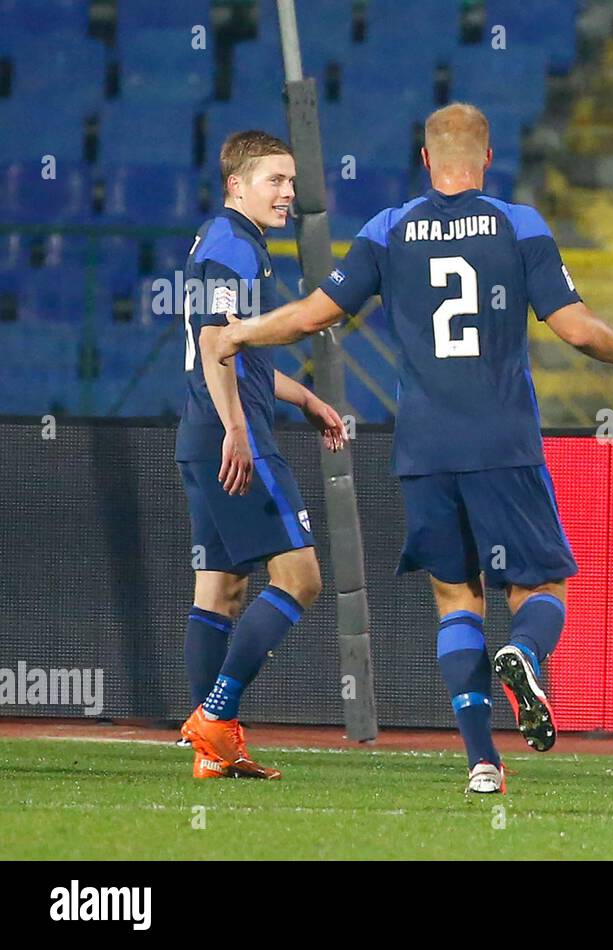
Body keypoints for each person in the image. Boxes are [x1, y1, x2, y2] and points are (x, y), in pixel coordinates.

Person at [216, 103, 613, 794]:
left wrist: (241, 333)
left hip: (425, 448)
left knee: (455, 596)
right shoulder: (519, 224)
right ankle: (522, 653)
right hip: (503, 439)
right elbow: (577, 331)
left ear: (426, 161)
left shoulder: (388, 229)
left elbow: (315, 315)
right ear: (488, 158)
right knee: (540, 587)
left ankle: (482, 764)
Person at [177, 130, 347, 781]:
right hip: (230, 435)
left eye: (292, 182)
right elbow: (216, 339)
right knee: (300, 579)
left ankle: (212, 753)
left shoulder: (224, 241)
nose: (287, 193)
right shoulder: (232, 246)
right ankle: (216, 717)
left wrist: (303, 396)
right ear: (236, 184)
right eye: (275, 180)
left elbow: (233, 352)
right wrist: (238, 429)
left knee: (220, 590)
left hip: (199, 434)